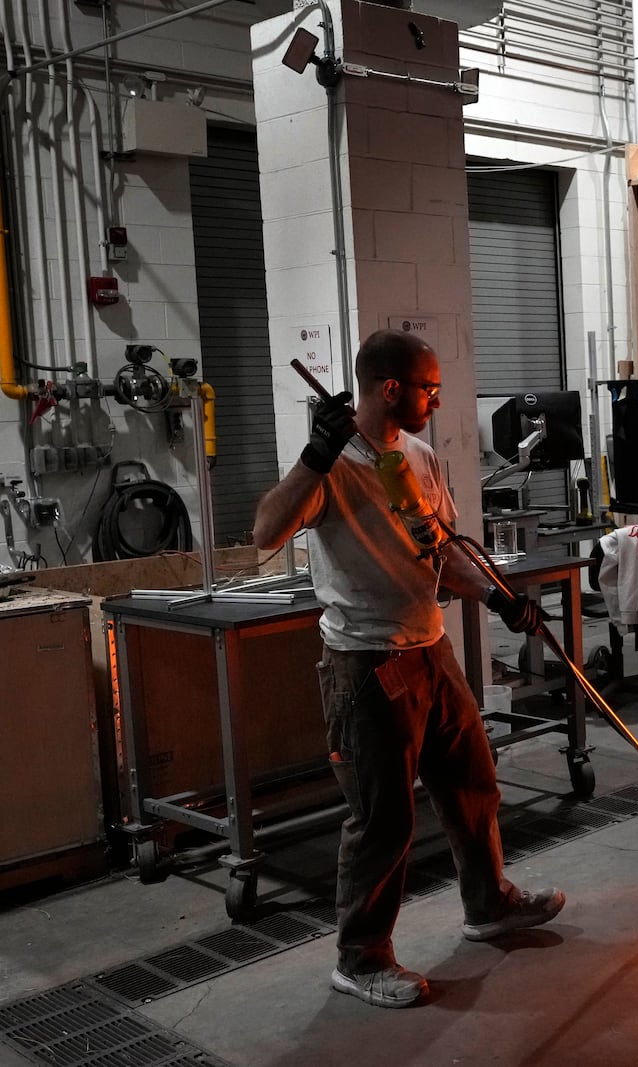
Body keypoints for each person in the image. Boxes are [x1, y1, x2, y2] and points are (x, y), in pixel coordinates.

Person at [254, 328, 564, 1009]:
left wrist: (497, 597)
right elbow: (264, 532)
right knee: (384, 818)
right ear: (390, 388)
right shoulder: (332, 466)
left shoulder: (419, 455)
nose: (436, 398)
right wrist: (314, 452)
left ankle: (488, 904)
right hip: (366, 664)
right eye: (428, 387)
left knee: (473, 782)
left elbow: (441, 548)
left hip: (430, 647)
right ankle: (360, 957)